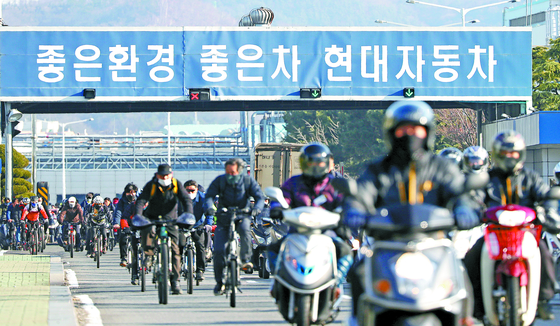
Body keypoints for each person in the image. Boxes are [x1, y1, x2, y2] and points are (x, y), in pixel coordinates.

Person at [342, 101, 480, 321]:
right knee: (360, 272)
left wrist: (464, 208)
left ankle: (465, 320)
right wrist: (354, 210)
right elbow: (361, 195)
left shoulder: (442, 167)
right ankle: (359, 321)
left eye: (416, 128)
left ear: (428, 132)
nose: (410, 134)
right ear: (391, 133)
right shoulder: (378, 169)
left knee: (461, 274)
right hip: (388, 245)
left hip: (434, 244)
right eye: (403, 129)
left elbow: (459, 193)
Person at [463, 130, 560, 321]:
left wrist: (549, 211)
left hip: (526, 233)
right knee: (472, 256)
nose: (509, 157)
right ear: (497, 155)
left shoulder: (530, 177)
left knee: (544, 253)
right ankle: (477, 308)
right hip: (494, 233)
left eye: (514, 153)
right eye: (505, 153)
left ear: (520, 154)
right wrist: (471, 211)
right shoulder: (487, 179)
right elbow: (474, 199)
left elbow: (546, 196)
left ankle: (543, 301)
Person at [268, 143, 353, 296]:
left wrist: (347, 214)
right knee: (274, 249)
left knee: (345, 251)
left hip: (327, 232)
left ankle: (336, 285)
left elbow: (347, 202)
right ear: (303, 163)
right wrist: (276, 208)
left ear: (327, 163)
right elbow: (282, 197)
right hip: (297, 231)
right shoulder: (293, 182)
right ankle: (279, 282)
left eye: (319, 162)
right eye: (310, 162)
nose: (314, 166)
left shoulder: (335, 184)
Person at [204, 158, 265, 296]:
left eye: (233, 172)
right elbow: (209, 196)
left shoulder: (247, 181)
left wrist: (256, 208)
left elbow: (260, 197)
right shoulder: (220, 181)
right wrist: (210, 207)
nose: (230, 175)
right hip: (224, 217)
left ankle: (245, 260)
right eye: (228, 172)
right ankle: (220, 282)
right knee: (218, 251)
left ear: (240, 171)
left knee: (245, 231)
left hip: (242, 215)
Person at [135, 164, 193, 295]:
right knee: (146, 229)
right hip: (152, 216)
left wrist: (188, 214)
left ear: (171, 175)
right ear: (157, 175)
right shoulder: (152, 185)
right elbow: (141, 200)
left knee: (175, 249)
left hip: (171, 218)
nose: (165, 178)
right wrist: (138, 215)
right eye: (162, 176)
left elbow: (186, 200)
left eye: (167, 176)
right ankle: (149, 255)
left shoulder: (176, 184)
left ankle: (175, 282)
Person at [182, 180, 213, 282]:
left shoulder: (203, 198)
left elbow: (209, 212)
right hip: (183, 225)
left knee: (200, 246)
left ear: (197, 190)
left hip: (198, 224)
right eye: (187, 190)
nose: (190, 192)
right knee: (178, 246)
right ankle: (177, 270)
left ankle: (200, 270)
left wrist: (208, 224)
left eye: (192, 190)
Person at [114, 183, 139, 284]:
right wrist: (116, 223)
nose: (131, 194)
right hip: (125, 223)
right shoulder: (122, 201)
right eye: (129, 192)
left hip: (138, 223)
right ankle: (124, 257)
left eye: (133, 192)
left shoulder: (139, 201)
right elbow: (118, 212)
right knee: (123, 238)